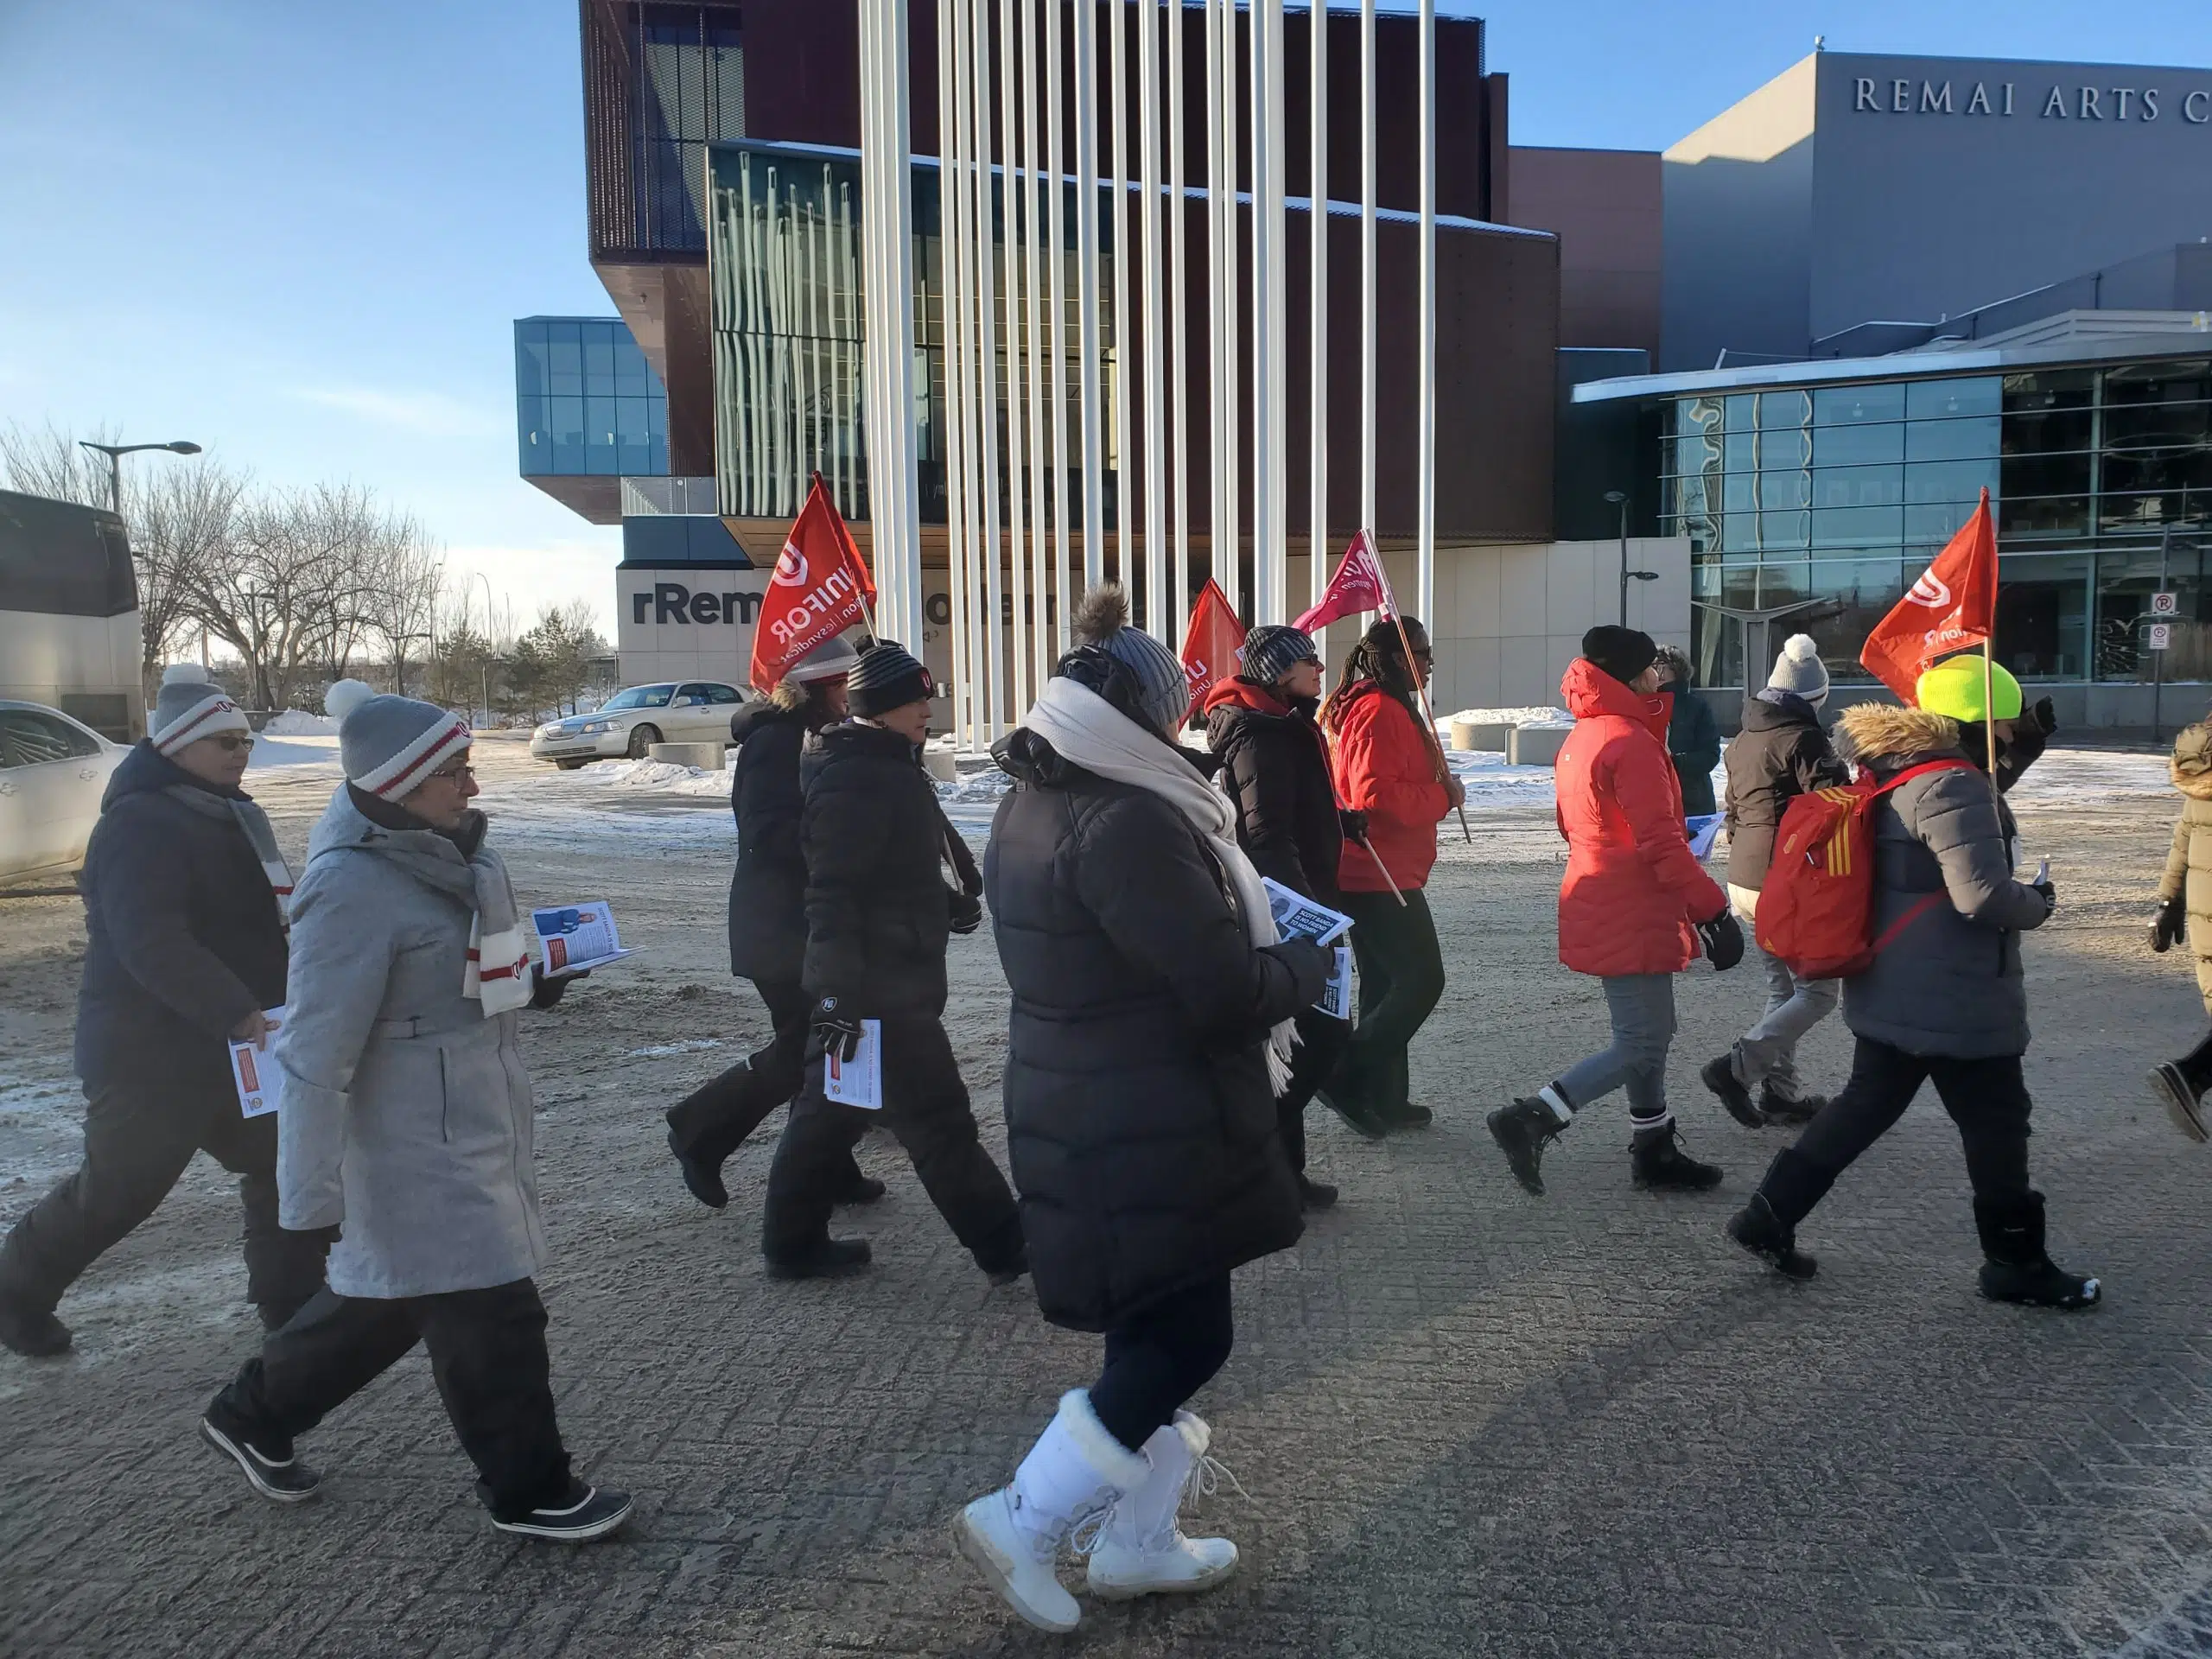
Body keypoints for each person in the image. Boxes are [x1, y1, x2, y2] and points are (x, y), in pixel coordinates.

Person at [958, 586, 1330, 1632]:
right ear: (1135, 716)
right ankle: (1025, 1518)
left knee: (1148, 1330)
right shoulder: (1125, 817)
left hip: (1088, 1099)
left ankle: (1136, 1544)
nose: (1178, 729)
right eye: (1167, 712)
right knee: (1186, 1338)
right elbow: (1217, 988)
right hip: (1144, 1113)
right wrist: (1298, 967)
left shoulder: (1038, 796)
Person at [199, 681, 633, 1539]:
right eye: (455, 774)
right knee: (491, 1309)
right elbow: (315, 1054)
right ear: (397, 784)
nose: (473, 788)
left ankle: (252, 1413)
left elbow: (489, 974)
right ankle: (530, 1490)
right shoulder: (349, 890)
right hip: (409, 1143)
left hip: (477, 1114)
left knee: (390, 1300)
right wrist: (308, 1200)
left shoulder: (467, 854)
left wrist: (539, 977)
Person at [1726, 657, 2099, 1310]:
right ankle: (2014, 1262)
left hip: (1894, 986)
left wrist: (2022, 752)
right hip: (1954, 997)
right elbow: (1981, 895)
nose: (2008, 734)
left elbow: (1954, 830)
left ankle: (1767, 1214)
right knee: (1998, 1124)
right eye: (2003, 723)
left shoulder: (1901, 769)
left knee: (1862, 1109)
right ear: (1977, 721)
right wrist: (2038, 902)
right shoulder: (1955, 784)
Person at [0, 666, 327, 1359]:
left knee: (285, 1166)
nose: (240, 751)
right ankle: (14, 1292)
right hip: (151, 1055)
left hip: (240, 1048)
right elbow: (149, 939)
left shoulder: (231, 810)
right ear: (177, 745)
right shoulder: (139, 823)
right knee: (117, 1194)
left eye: (244, 738)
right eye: (223, 740)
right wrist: (236, 1009)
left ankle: (292, 1310)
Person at [756, 641, 1027, 1282]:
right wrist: (836, 996)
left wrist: (944, 903)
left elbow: (895, 866)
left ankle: (790, 1242)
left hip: (889, 972)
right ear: (877, 708)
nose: (926, 708)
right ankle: (1008, 1245)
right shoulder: (856, 775)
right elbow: (834, 894)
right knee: (938, 1120)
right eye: (914, 698)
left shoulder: (882, 761)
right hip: (877, 987)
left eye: (926, 695)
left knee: (830, 1111)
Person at [1487, 626, 1746, 1198]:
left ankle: (1653, 1148)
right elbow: (1660, 843)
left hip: (1602, 894)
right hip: (1631, 901)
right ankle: (1534, 1115)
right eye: (1652, 666)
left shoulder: (1584, 736)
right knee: (1642, 1041)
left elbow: (1573, 825)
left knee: (1646, 1033)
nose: (1660, 675)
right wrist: (1712, 910)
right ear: (1636, 675)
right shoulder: (1630, 741)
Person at [663, 634, 880, 1211]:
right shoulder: (777, 741)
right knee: (809, 1048)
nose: (850, 697)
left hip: (801, 923)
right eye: (843, 686)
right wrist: (838, 836)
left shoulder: (812, 737)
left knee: (826, 1048)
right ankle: (699, 1131)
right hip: (780, 926)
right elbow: (766, 835)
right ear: (815, 688)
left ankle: (831, 1163)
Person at [1204, 621, 1359, 1210]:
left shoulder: (1282, 724)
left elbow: (1288, 810)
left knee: (1297, 1040)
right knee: (1320, 1034)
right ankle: (1258, 1164)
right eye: (1308, 662)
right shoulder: (1263, 734)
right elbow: (1265, 833)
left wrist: (1341, 825)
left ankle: (1282, 1174)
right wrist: (1307, 916)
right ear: (1277, 671)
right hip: (1292, 912)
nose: (1320, 669)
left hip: (1303, 901)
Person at [1318, 616, 1459, 1137]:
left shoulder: (1381, 706)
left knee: (1385, 982)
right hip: (1375, 871)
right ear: (1400, 657)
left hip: (1379, 867)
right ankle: (1344, 1074)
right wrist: (1444, 797)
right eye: (1423, 653)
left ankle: (1384, 1096)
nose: (1427, 663)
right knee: (1423, 980)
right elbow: (1374, 795)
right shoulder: (1379, 710)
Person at [1700, 634, 1849, 1129]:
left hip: (1744, 878)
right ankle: (1736, 1069)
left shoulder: (1743, 739)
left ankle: (1780, 1094)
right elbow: (1835, 809)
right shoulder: (1804, 739)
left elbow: (1737, 811)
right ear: (1813, 698)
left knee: (1782, 989)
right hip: (1786, 880)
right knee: (1818, 993)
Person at [2146, 718, 2212, 1141]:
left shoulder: (2202, 771)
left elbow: (2184, 837)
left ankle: (2191, 1077)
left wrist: (2169, 903)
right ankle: (2190, 1075)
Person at [1659, 645, 1722, 819]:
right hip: (1656, 801)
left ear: (1676, 670)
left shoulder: (1695, 706)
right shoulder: (1641, 703)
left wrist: (1675, 762)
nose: (1656, 672)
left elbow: (1711, 754)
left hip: (1693, 802)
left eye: (1661, 665)